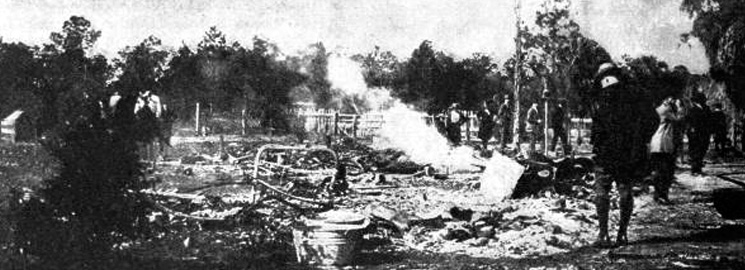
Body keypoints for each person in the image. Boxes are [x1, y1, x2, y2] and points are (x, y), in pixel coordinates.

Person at [591, 62, 654, 247]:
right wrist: (641, 140)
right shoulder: (633, 96)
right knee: (624, 191)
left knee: (602, 192)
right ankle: (622, 233)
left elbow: (597, 128)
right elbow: (652, 119)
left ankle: (603, 234)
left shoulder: (600, 98)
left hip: (605, 153)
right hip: (626, 153)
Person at [649, 96, 683, 204]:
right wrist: (679, 107)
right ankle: (661, 195)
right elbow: (678, 120)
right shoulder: (665, 110)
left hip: (656, 144)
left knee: (659, 171)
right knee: (665, 171)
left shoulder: (658, 109)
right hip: (663, 144)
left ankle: (658, 195)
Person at [686, 92, 711, 175]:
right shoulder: (692, 110)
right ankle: (694, 168)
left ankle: (698, 166)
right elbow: (688, 121)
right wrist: (690, 129)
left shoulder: (707, 109)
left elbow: (710, 120)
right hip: (695, 133)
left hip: (705, 132)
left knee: (703, 148)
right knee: (695, 149)